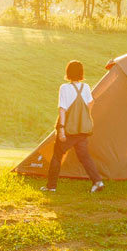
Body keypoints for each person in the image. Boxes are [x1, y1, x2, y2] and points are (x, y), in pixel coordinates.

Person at [41, 60, 105, 194]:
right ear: (81, 73)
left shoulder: (65, 88)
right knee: (84, 157)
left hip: (69, 129)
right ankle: (97, 181)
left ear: (68, 72)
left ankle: (51, 186)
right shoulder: (86, 87)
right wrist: (84, 117)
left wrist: (62, 128)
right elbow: (91, 103)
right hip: (82, 129)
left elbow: (62, 109)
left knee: (57, 156)